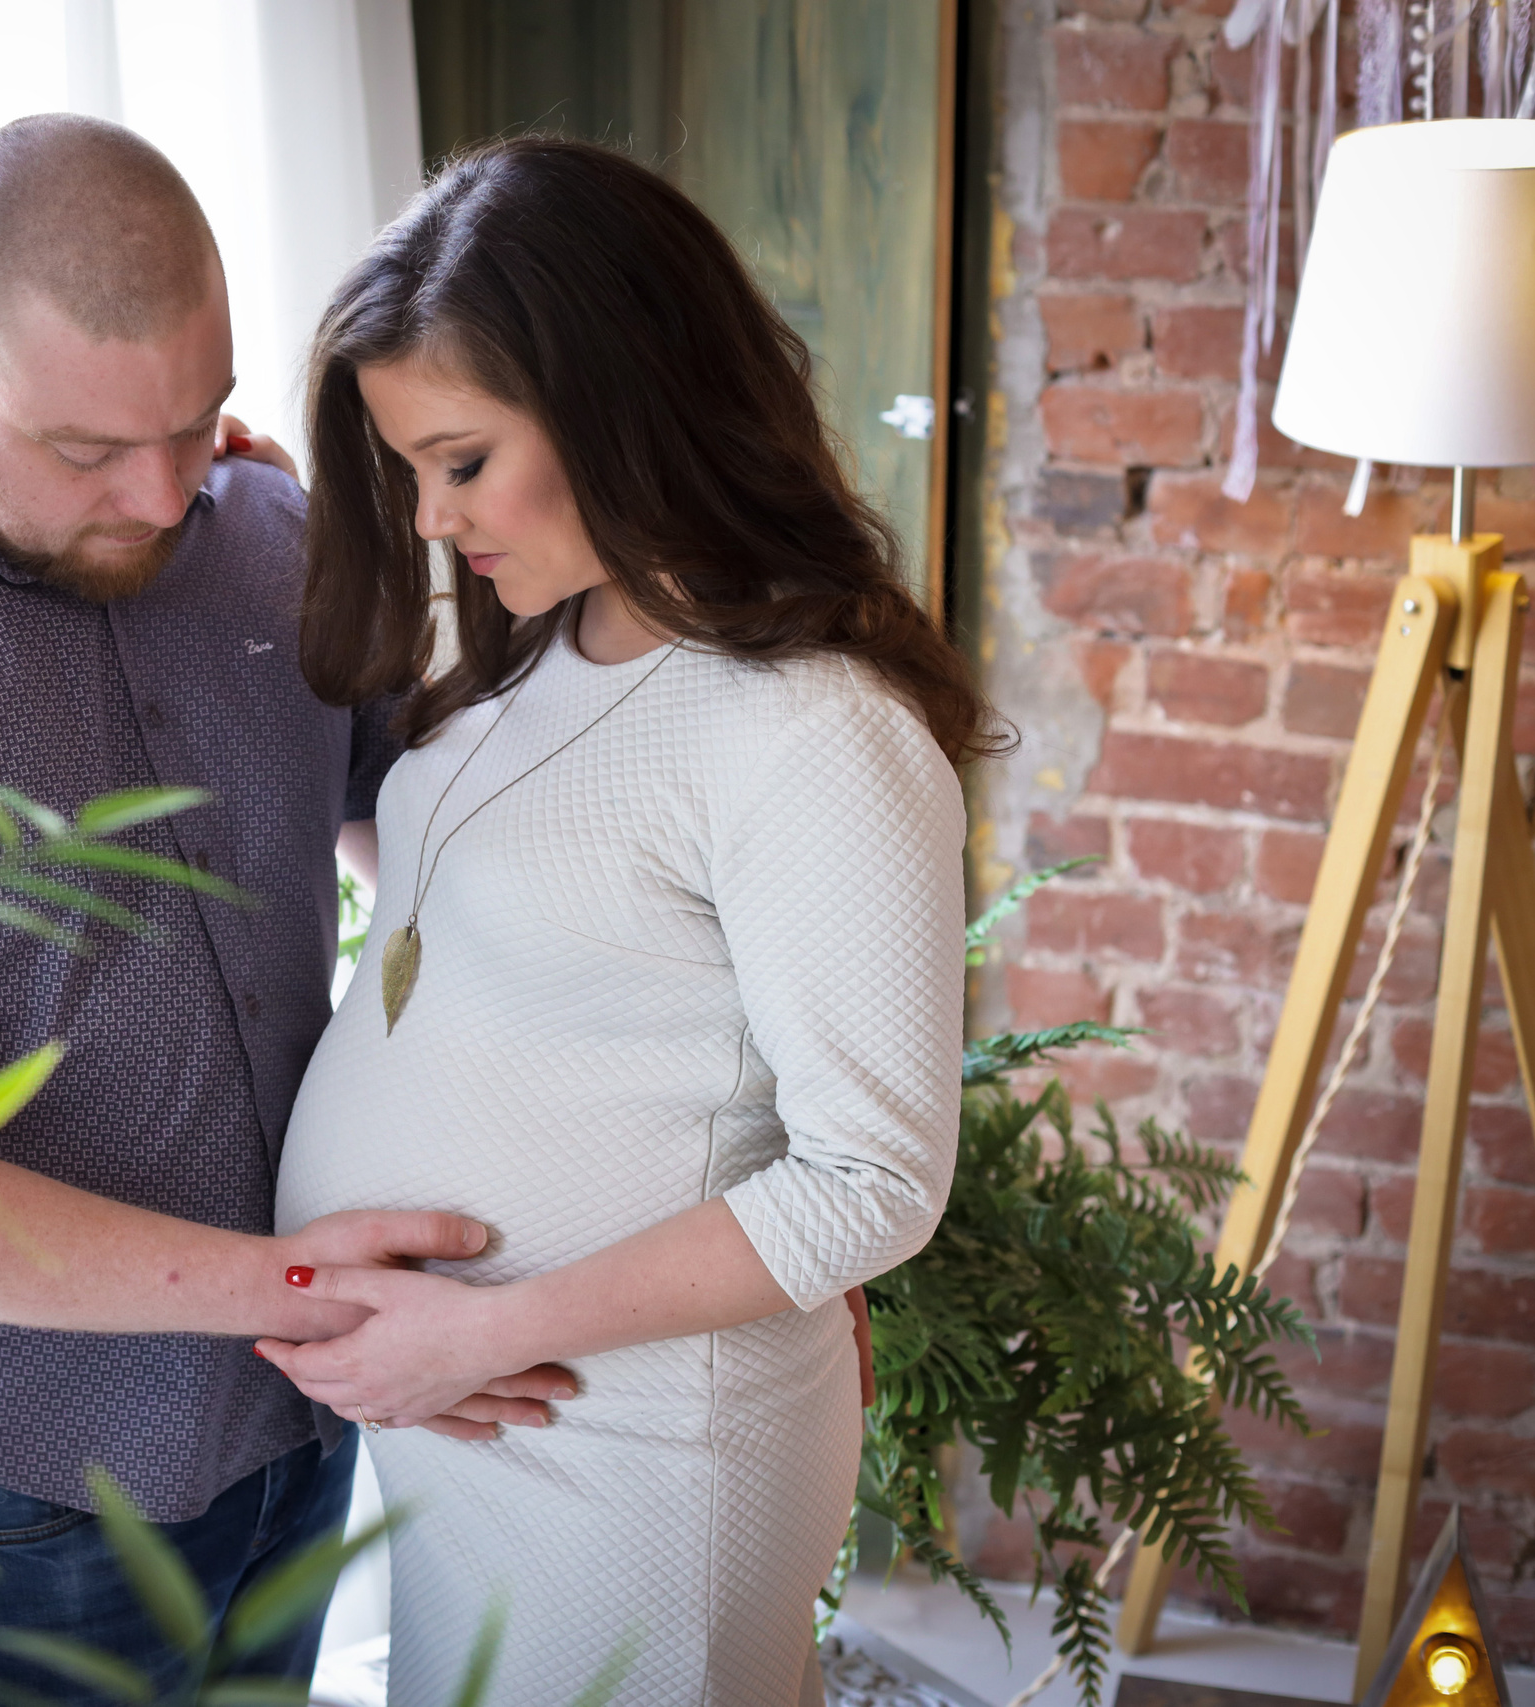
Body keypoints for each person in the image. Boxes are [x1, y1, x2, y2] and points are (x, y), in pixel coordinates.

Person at [0, 115, 574, 1705]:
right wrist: (298, 1289)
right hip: (48, 1487)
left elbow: (435, 858)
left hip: (308, 1415)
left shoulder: (265, 532)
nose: (160, 495)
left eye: (197, 419)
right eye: (88, 452)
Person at [259, 138, 1006, 1707]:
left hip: (631, 1447)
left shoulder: (809, 731)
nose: (435, 517)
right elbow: (548, 927)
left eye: (462, 462)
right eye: (405, 470)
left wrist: (484, 1332)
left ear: (623, 399)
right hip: (488, 1419)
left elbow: (874, 1179)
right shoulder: (555, 629)